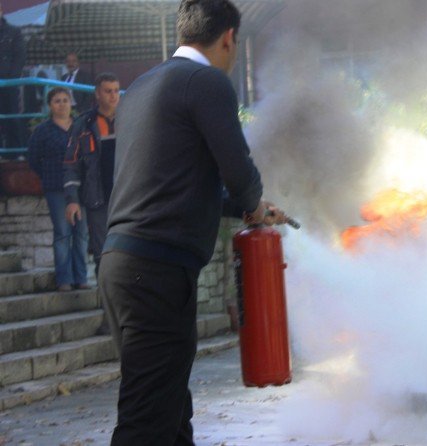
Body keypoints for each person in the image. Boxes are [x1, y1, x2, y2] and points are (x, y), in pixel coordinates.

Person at [99, 0, 287, 443]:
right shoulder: (207, 83)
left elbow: (170, 183)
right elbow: (238, 171)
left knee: (169, 411)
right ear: (228, 38)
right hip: (156, 272)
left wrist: (245, 206)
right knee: (147, 421)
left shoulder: (141, 87)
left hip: (124, 265)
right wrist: (254, 203)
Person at [28, 87, 89, 292]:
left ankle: (81, 277)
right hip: (56, 188)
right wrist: (48, 175)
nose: (62, 104)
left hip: (81, 188)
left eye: (65, 100)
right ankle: (64, 279)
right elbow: (33, 159)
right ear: (50, 105)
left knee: (81, 233)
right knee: (63, 233)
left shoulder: (81, 127)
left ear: (71, 103)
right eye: (57, 101)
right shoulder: (43, 131)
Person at [63, 72, 120, 277]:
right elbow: (71, 163)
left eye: (116, 91)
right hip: (98, 198)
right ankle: (106, 303)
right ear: (97, 94)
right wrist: (72, 200)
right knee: (102, 252)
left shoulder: (130, 119)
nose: (113, 96)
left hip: (128, 197)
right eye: (108, 91)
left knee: (129, 252)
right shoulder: (84, 124)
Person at [0, 1, 26, 152]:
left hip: (8, 83)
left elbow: (20, 57)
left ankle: (14, 154)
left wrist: (11, 79)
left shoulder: (14, 32)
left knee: (12, 118)